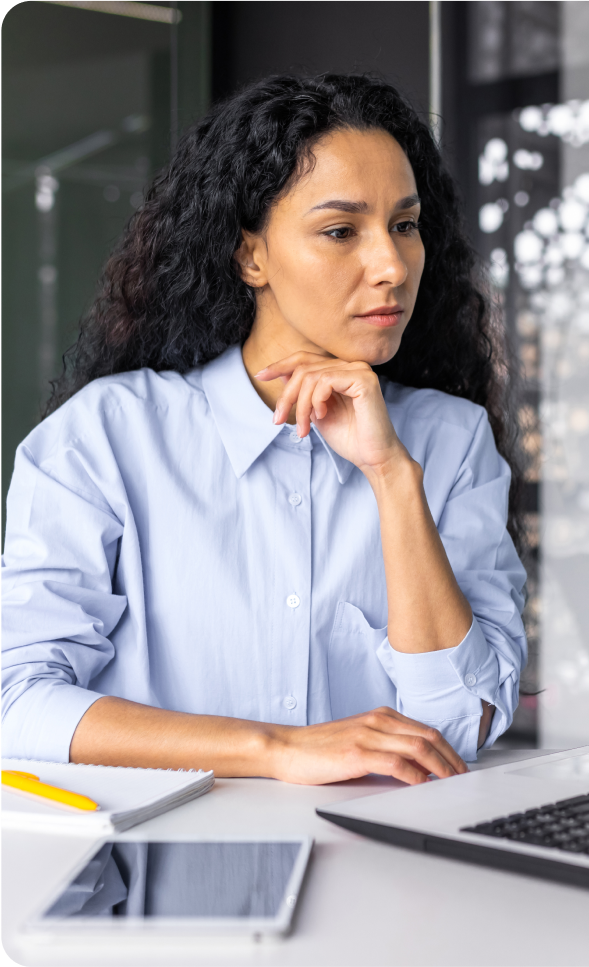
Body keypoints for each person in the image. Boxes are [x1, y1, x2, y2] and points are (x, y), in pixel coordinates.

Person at [1, 75, 527, 785]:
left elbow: (462, 724)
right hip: (160, 874)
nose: (392, 265)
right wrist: (275, 748)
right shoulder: (104, 437)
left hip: (388, 873)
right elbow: (16, 700)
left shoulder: (451, 440)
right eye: (341, 231)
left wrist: (391, 476)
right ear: (251, 255)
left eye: (405, 225)